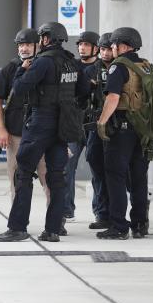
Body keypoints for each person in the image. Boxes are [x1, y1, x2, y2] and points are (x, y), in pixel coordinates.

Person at [0, 22, 87, 243]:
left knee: (23, 173)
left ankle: (18, 227)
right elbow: (84, 92)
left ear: (45, 39)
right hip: (63, 125)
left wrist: (21, 69)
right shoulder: (72, 64)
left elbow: (19, 89)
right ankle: (53, 230)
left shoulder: (43, 62)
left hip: (41, 122)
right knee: (57, 178)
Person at [96, 27, 149, 240]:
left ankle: (118, 226)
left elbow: (113, 98)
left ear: (122, 46)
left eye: (114, 45)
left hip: (123, 129)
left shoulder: (118, 67)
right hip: (143, 129)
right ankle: (140, 224)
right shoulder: (145, 65)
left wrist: (101, 122)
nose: (112, 49)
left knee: (115, 175)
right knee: (139, 177)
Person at [0, 28, 49, 203]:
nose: (24, 49)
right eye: (21, 45)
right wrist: (1, 129)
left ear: (38, 45)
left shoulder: (47, 65)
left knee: (49, 179)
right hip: (15, 134)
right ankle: (17, 224)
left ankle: (55, 222)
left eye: (28, 45)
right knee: (17, 180)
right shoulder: (10, 68)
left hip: (42, 133)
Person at [64, 31, 99, 222]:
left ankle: (100, 212)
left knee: (98, 168)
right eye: (80, 45)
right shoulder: (72, 66)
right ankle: (67, 210)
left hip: (94, 124)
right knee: (67, 166)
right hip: (74, 122)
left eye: (86, 45)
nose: (82, 48)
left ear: (95, 48)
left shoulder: (101, 67)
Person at [83, 32, 113, 230]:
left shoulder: (122, 69)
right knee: (97, 170)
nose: (105, 53)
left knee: (119, 173)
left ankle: (122, 214)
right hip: (94, 126)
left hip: (117, 127)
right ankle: (102, 214)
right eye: (102, 49)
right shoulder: (91, 70)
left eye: (108, 49)